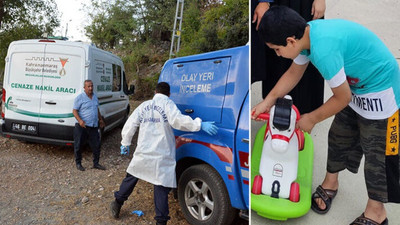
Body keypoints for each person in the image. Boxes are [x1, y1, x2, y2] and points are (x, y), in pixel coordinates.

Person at [252, 6, 400, 225]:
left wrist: (311, 118)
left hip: (381, 90)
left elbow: (342, 98)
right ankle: (331, 183)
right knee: (339, 136)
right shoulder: (306, 37)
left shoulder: (324, 50)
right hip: (355, 86)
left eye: (276, 49)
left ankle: (376, 213)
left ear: (291, 41)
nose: (277, 54)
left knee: (377, 154)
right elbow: (293, 73)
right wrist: (268, 101)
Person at [109, 82, 218, 225]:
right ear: (169, 94)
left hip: (144, 151)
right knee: (160, 188)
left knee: (132, 177)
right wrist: (199, 124)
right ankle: (161, 222)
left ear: (155, 92)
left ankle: (117, 203)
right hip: (161, 153)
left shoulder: (144, 106)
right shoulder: (168, 104)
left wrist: (125, 143)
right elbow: (177, 121)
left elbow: (131, 124)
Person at [251, 0, 326, 114]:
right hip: (278, 3)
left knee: (307, 44)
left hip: (306, 6)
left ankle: (306, 113)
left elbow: (342, 96)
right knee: (277, 50)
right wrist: (264, 1)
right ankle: (273, 107)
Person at [72, 80, 106, 171]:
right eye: (88, 86)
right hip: (83, 126)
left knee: (97, 145)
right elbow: (74, 111)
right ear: (84, 88)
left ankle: (96, 163)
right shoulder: (80, 98)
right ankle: (78, 163)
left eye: (91, 86)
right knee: (78, 145)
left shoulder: (95, 97)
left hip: (94, 126)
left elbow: (96, 109)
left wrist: (100, 119)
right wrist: (80, 121)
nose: (90, 88)